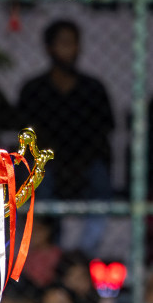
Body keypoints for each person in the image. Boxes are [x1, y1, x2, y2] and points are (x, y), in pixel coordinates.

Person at [16, 19, 114, 253]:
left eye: (74, 43)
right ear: (50, 47)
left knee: (101, 183)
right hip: (48, 161)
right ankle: (52, 253)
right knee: (41, 182)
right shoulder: (34, 88)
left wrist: (81, 162)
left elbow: (104, 130)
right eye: (64, 43)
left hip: (87, 160)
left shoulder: (93, 87)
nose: (71, 49)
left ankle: (84, 255)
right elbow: (26, 131)